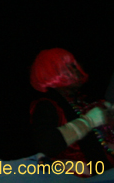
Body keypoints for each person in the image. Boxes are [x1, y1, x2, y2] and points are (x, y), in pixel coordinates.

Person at [29, 48, 114, 176]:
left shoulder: (81, 100)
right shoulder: (46, 105)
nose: (79, 68)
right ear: (55, 71)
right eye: (72, 66)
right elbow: (48, 144)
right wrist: (89, 121)